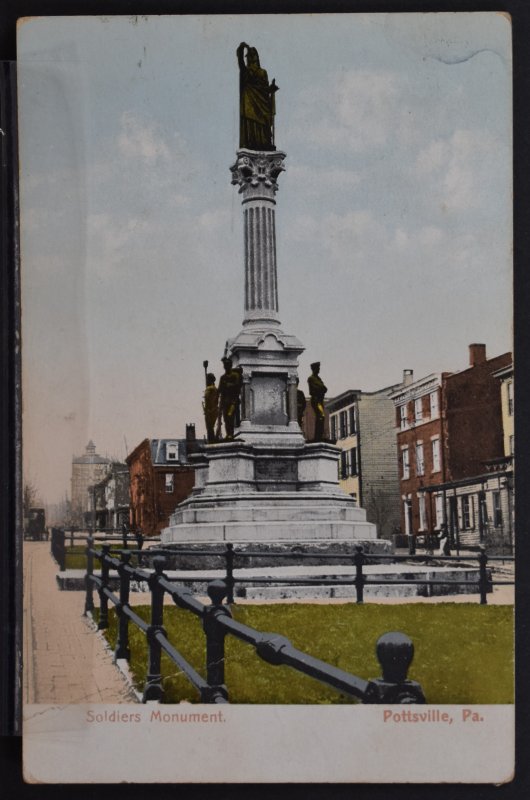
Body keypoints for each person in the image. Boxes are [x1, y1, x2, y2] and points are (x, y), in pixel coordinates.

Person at [237, 42, 279, 151]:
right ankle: (252, 142)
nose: (251, 58)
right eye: (250, 56)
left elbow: (265, 89)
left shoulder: (263, 72)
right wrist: (242, 47)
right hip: (249, 100)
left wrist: (271, 88)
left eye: (253, 55)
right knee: (252, 122)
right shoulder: (246, 71)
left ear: (257, 57)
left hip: (262, 102)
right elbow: (240, 61)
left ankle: (264, 142)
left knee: (264, 123)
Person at [216, 357, 241, 440]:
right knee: (225, 418)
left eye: (227, 365)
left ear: (230, 366)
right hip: (225, 401)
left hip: (233, 400)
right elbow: (219, 389)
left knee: (230, 416)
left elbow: (238, 386)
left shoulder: (235, 375)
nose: (225, 367)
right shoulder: (222, 377)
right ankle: (228, 434)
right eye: (224, 365)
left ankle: (231, 434)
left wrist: (229, 385)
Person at [307, 362, 327, 442]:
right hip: (316, 400)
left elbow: (324, 388)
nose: (319, 370)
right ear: (314, 369)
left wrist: (322, 388)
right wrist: (321, 389)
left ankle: (319, 436)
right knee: (320, 416)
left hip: (320, 400)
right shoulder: (311, 378)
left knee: (321, 417)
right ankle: (318, 437)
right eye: (317, 368)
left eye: (319, 368)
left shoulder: (318, 378)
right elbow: (321, 388)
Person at [203, 373, 219, 444]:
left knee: (209, 427)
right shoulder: (215, 388)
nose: (206, 381)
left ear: (210, 380)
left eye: (207, 380)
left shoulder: (210, 388)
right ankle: (212, 440)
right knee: (210, 427)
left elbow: (207, 399)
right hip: (214, 410)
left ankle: (211, 440)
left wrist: (207, 410)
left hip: (210, 410)